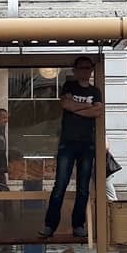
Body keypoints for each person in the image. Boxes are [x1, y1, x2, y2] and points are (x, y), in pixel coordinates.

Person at [38, 56, 103, 240]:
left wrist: (76, 108)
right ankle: (50, 225)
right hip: (67, 143)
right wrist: (87, 108)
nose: (86, 71)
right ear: (75, 70)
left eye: (88, 68)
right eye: (82, 68)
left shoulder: (95, 91)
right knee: (60, 185)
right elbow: (65, 104)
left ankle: (78, 225)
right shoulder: (69, 87)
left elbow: (98, 111)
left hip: (87, 144)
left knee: (83, 187)